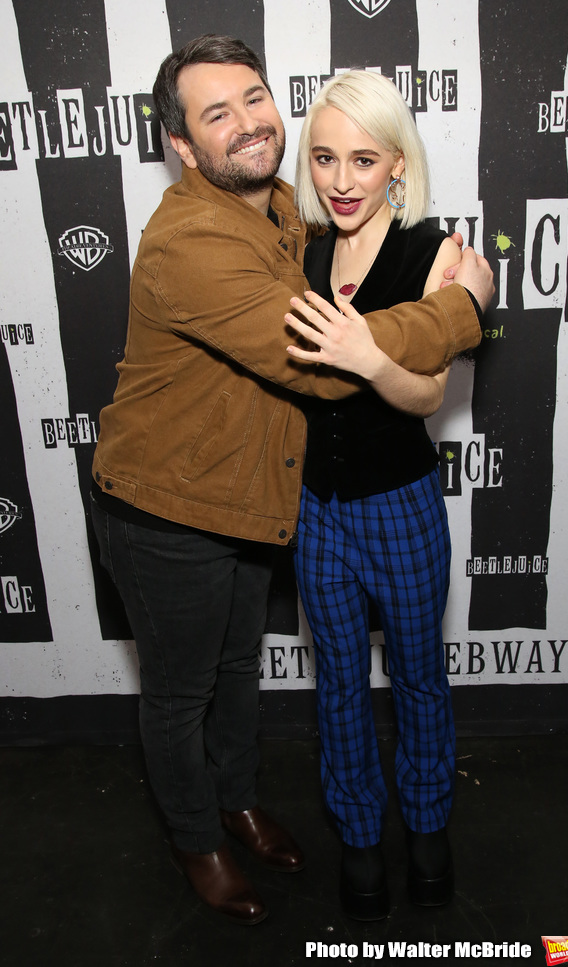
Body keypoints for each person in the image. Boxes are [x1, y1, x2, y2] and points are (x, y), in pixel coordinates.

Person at [90, 35, 494, 926]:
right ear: (183, 149)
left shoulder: (281, 211)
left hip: (249, 498)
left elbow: (391, 348)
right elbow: (324, 364)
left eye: (254, 97)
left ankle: (237, 801)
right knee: (180, 690)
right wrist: (465, 309)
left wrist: (427, 280)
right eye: (216, 112)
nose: (247, 123)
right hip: (164, 505)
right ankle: (198, 839)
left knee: (238, 672)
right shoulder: (191, 241)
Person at [284, 70, 481, 920]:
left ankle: (428, 828)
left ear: (397, 163)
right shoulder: (302, 249)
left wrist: (369, 357)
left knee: (418, 679)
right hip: (317, 511)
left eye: (363, 159)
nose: (341, 179)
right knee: (336, 683)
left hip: (401, 505)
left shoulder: (433, 250)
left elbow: (430, 396)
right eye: (325, 158)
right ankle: (360, 836)